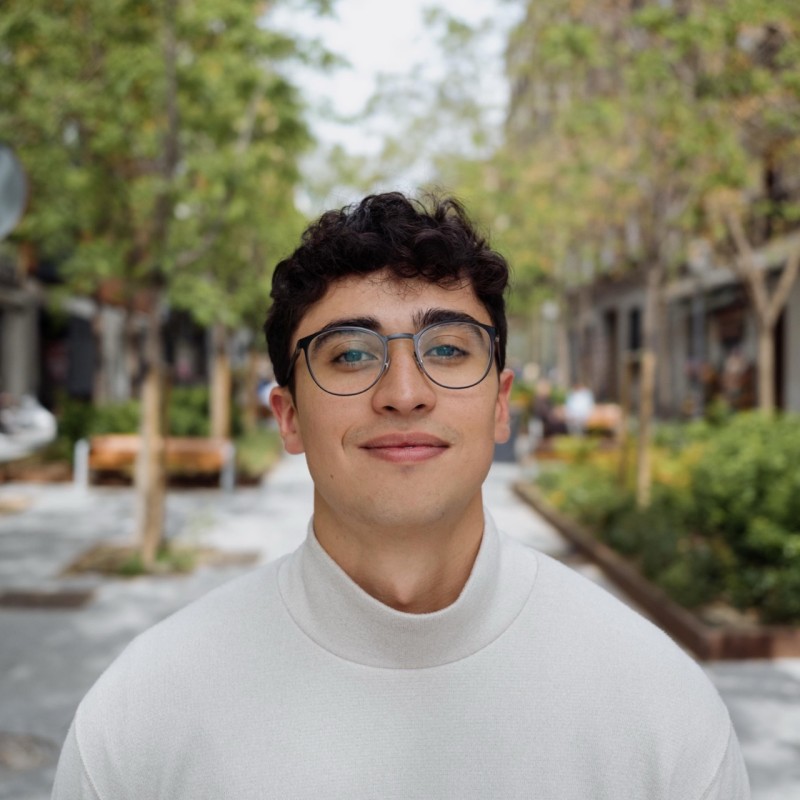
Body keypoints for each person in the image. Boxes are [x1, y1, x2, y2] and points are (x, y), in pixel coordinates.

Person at [52, 192, 750, 799]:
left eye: (448, 349)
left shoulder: (659, 708)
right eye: (351, 354)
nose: (405, 394)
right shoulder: (144, 713)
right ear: (288, 416)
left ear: (500, 405)